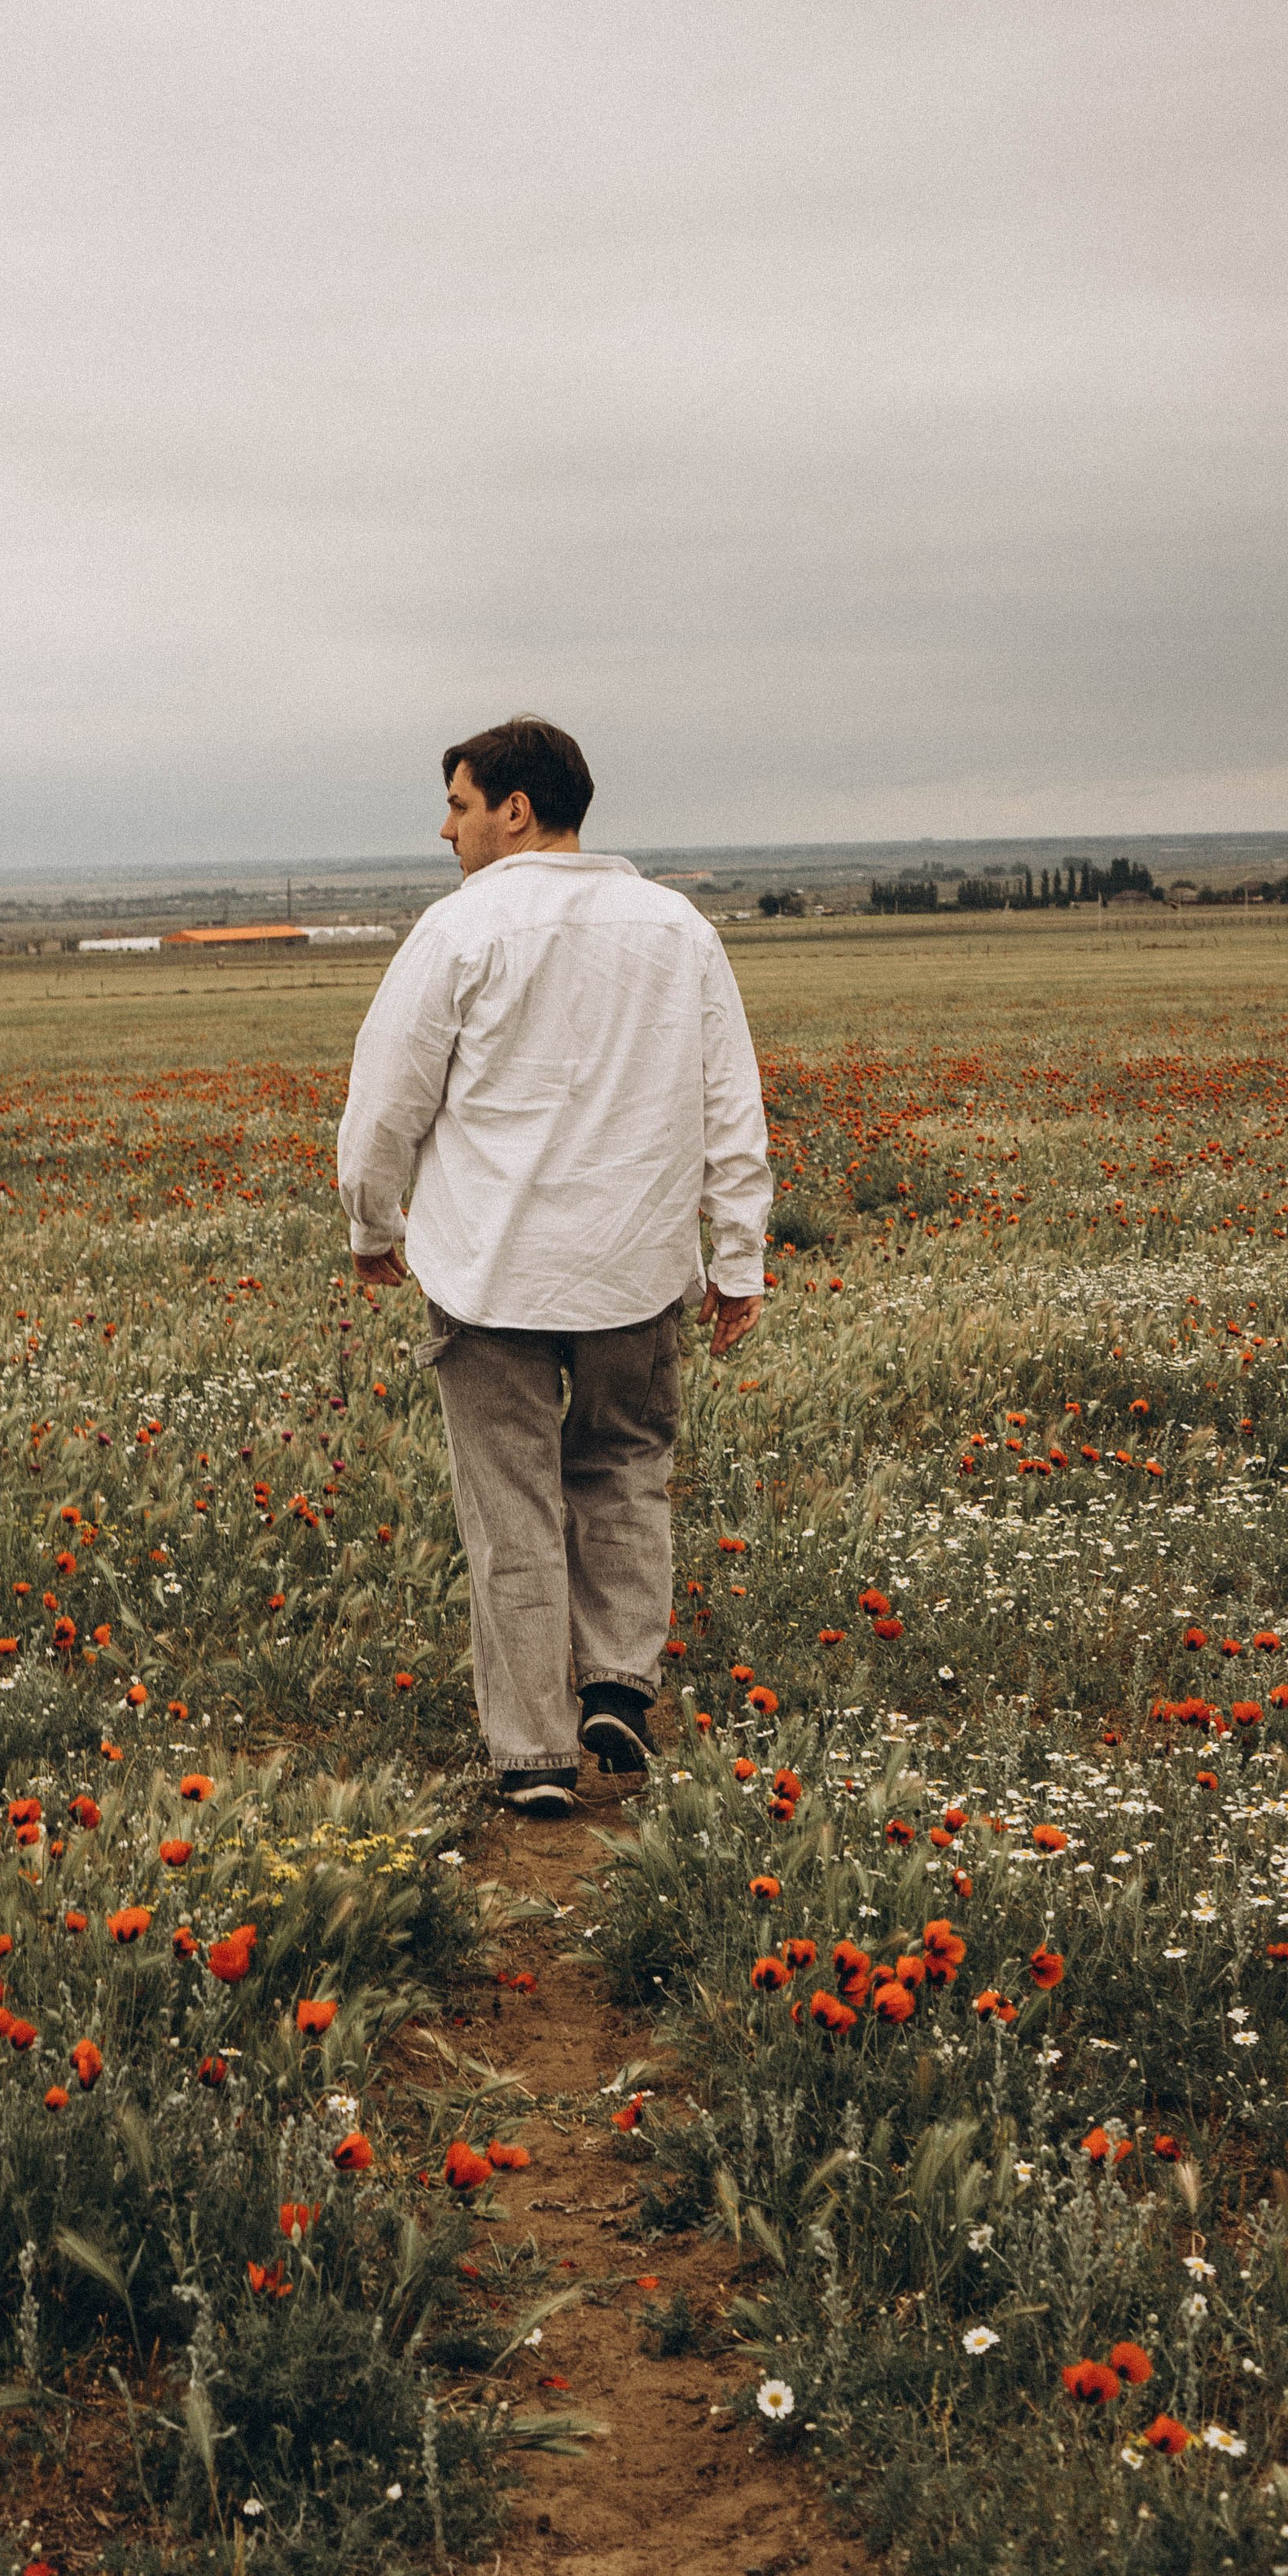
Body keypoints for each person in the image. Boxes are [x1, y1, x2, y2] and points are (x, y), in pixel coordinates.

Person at [335, 717, 772, 1816]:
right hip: (636, 1265)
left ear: (515, 810)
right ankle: (618, 1683)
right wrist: (738, 1257)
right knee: (627, 1467)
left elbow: (388, 1098)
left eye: (459, 804)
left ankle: (532, 1756)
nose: (446, 830)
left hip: (490, 1271)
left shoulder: (455, 932)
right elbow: (731, 1103)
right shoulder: (677, 929)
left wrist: (371, 1224)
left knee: (512, 1507)